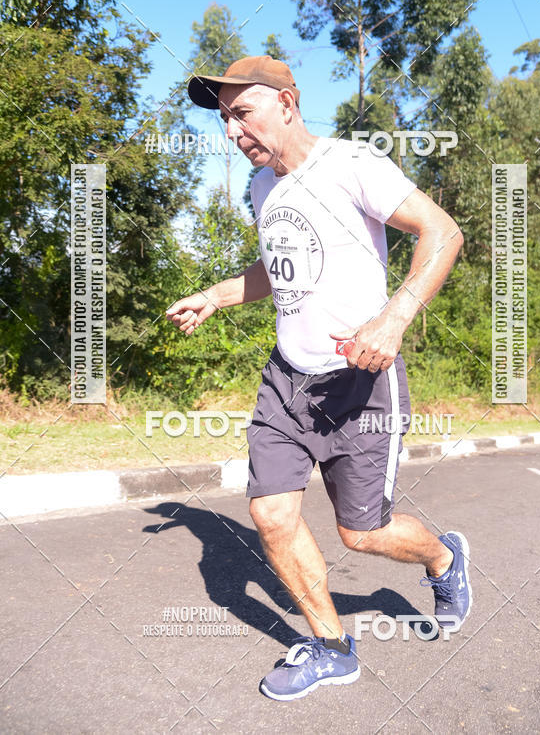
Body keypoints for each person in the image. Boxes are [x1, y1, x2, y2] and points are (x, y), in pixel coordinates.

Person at [166, 55, 471, 702]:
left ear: (288, 102)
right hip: (287, 378)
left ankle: (443, 556)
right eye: (224, 119)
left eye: (241, 113)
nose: (231, 131)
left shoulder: (351, 164)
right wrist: (217, 295)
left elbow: (442, 231)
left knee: (361, 533)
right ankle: (332, 646)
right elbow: (279, 268)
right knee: (270, 513)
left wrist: (394, 319)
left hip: (359, 385)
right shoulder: (261, 187)